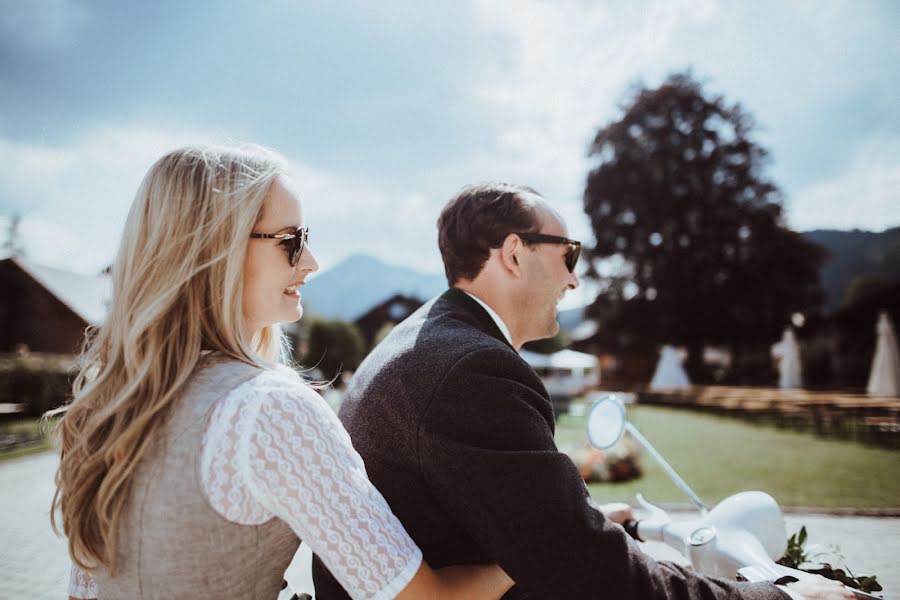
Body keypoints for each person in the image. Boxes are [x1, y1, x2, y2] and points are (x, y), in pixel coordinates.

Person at [312, 183, 852, 600]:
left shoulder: (427, 340)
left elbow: (513, 513)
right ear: (514, 254)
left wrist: (578, 519)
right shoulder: (472, 367)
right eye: (569, 254)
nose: (574, 280)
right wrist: (775, 594)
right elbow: (594, 576)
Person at [51, 146, 514, 600]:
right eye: (290, 240)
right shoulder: (266, 408)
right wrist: (537, 554)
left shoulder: (108, 404)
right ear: (214, 250)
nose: (311, 261)